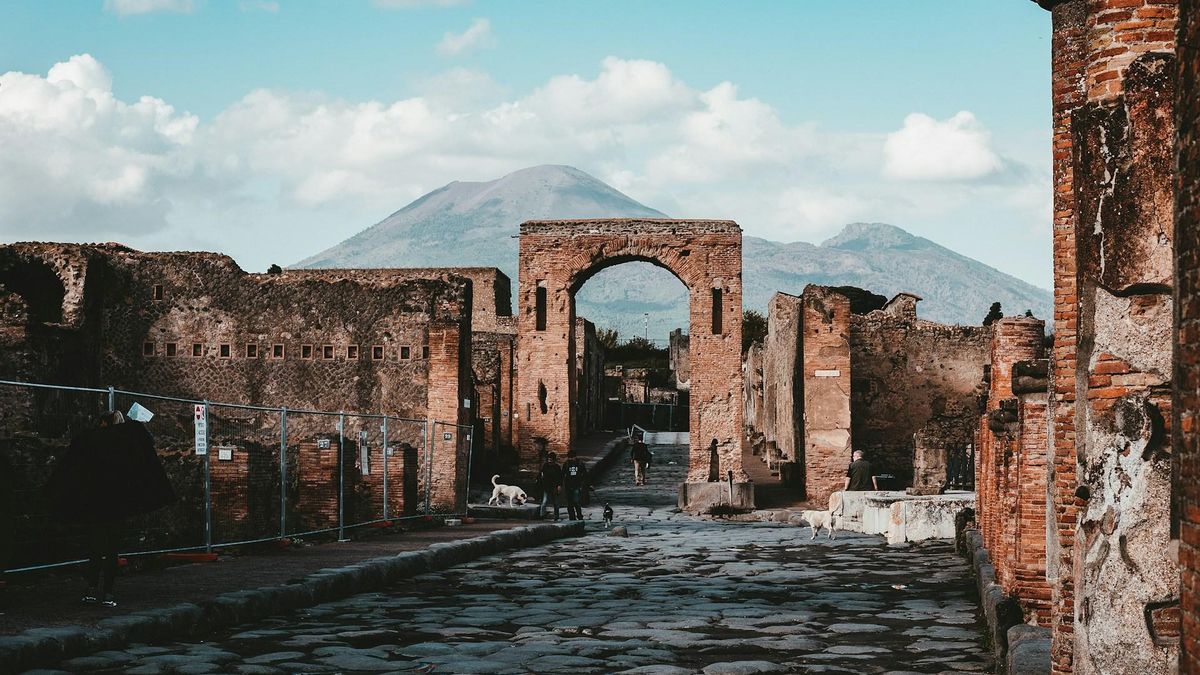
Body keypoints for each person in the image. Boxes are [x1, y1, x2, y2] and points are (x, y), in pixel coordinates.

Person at [45, 410, 174, 607]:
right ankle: (108, 592)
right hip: (117, 506)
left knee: (95, 549)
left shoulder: (91, 441)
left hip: (95, 505)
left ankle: (91, 588)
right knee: (112, 551)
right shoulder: (126, 445)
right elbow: (147, 441)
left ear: (104, 423)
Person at [561, 450, 590, 521]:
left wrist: (588, 484)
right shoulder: (566, 464)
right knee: (569, 503)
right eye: (569, 457)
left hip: (577, 485)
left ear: (575, 457)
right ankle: (572, 517)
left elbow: (585, 475)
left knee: (576, 501)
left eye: (572, 457)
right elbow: (562, 475)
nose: (571, 459)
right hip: (568, 486)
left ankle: (579, 516)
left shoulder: (580, 464)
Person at [537, 452, 563, 520]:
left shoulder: (557, 467)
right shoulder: (545, 466)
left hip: (554, 487)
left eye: (551, 459)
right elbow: (542, 475)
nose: (549, 461)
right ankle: (542, 515)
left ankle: (556, 516)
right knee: (544, 502)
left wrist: (559, 485)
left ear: (554, 460)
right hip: (546, 486)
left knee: (556, 503)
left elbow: (559, 477)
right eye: (548, 459)